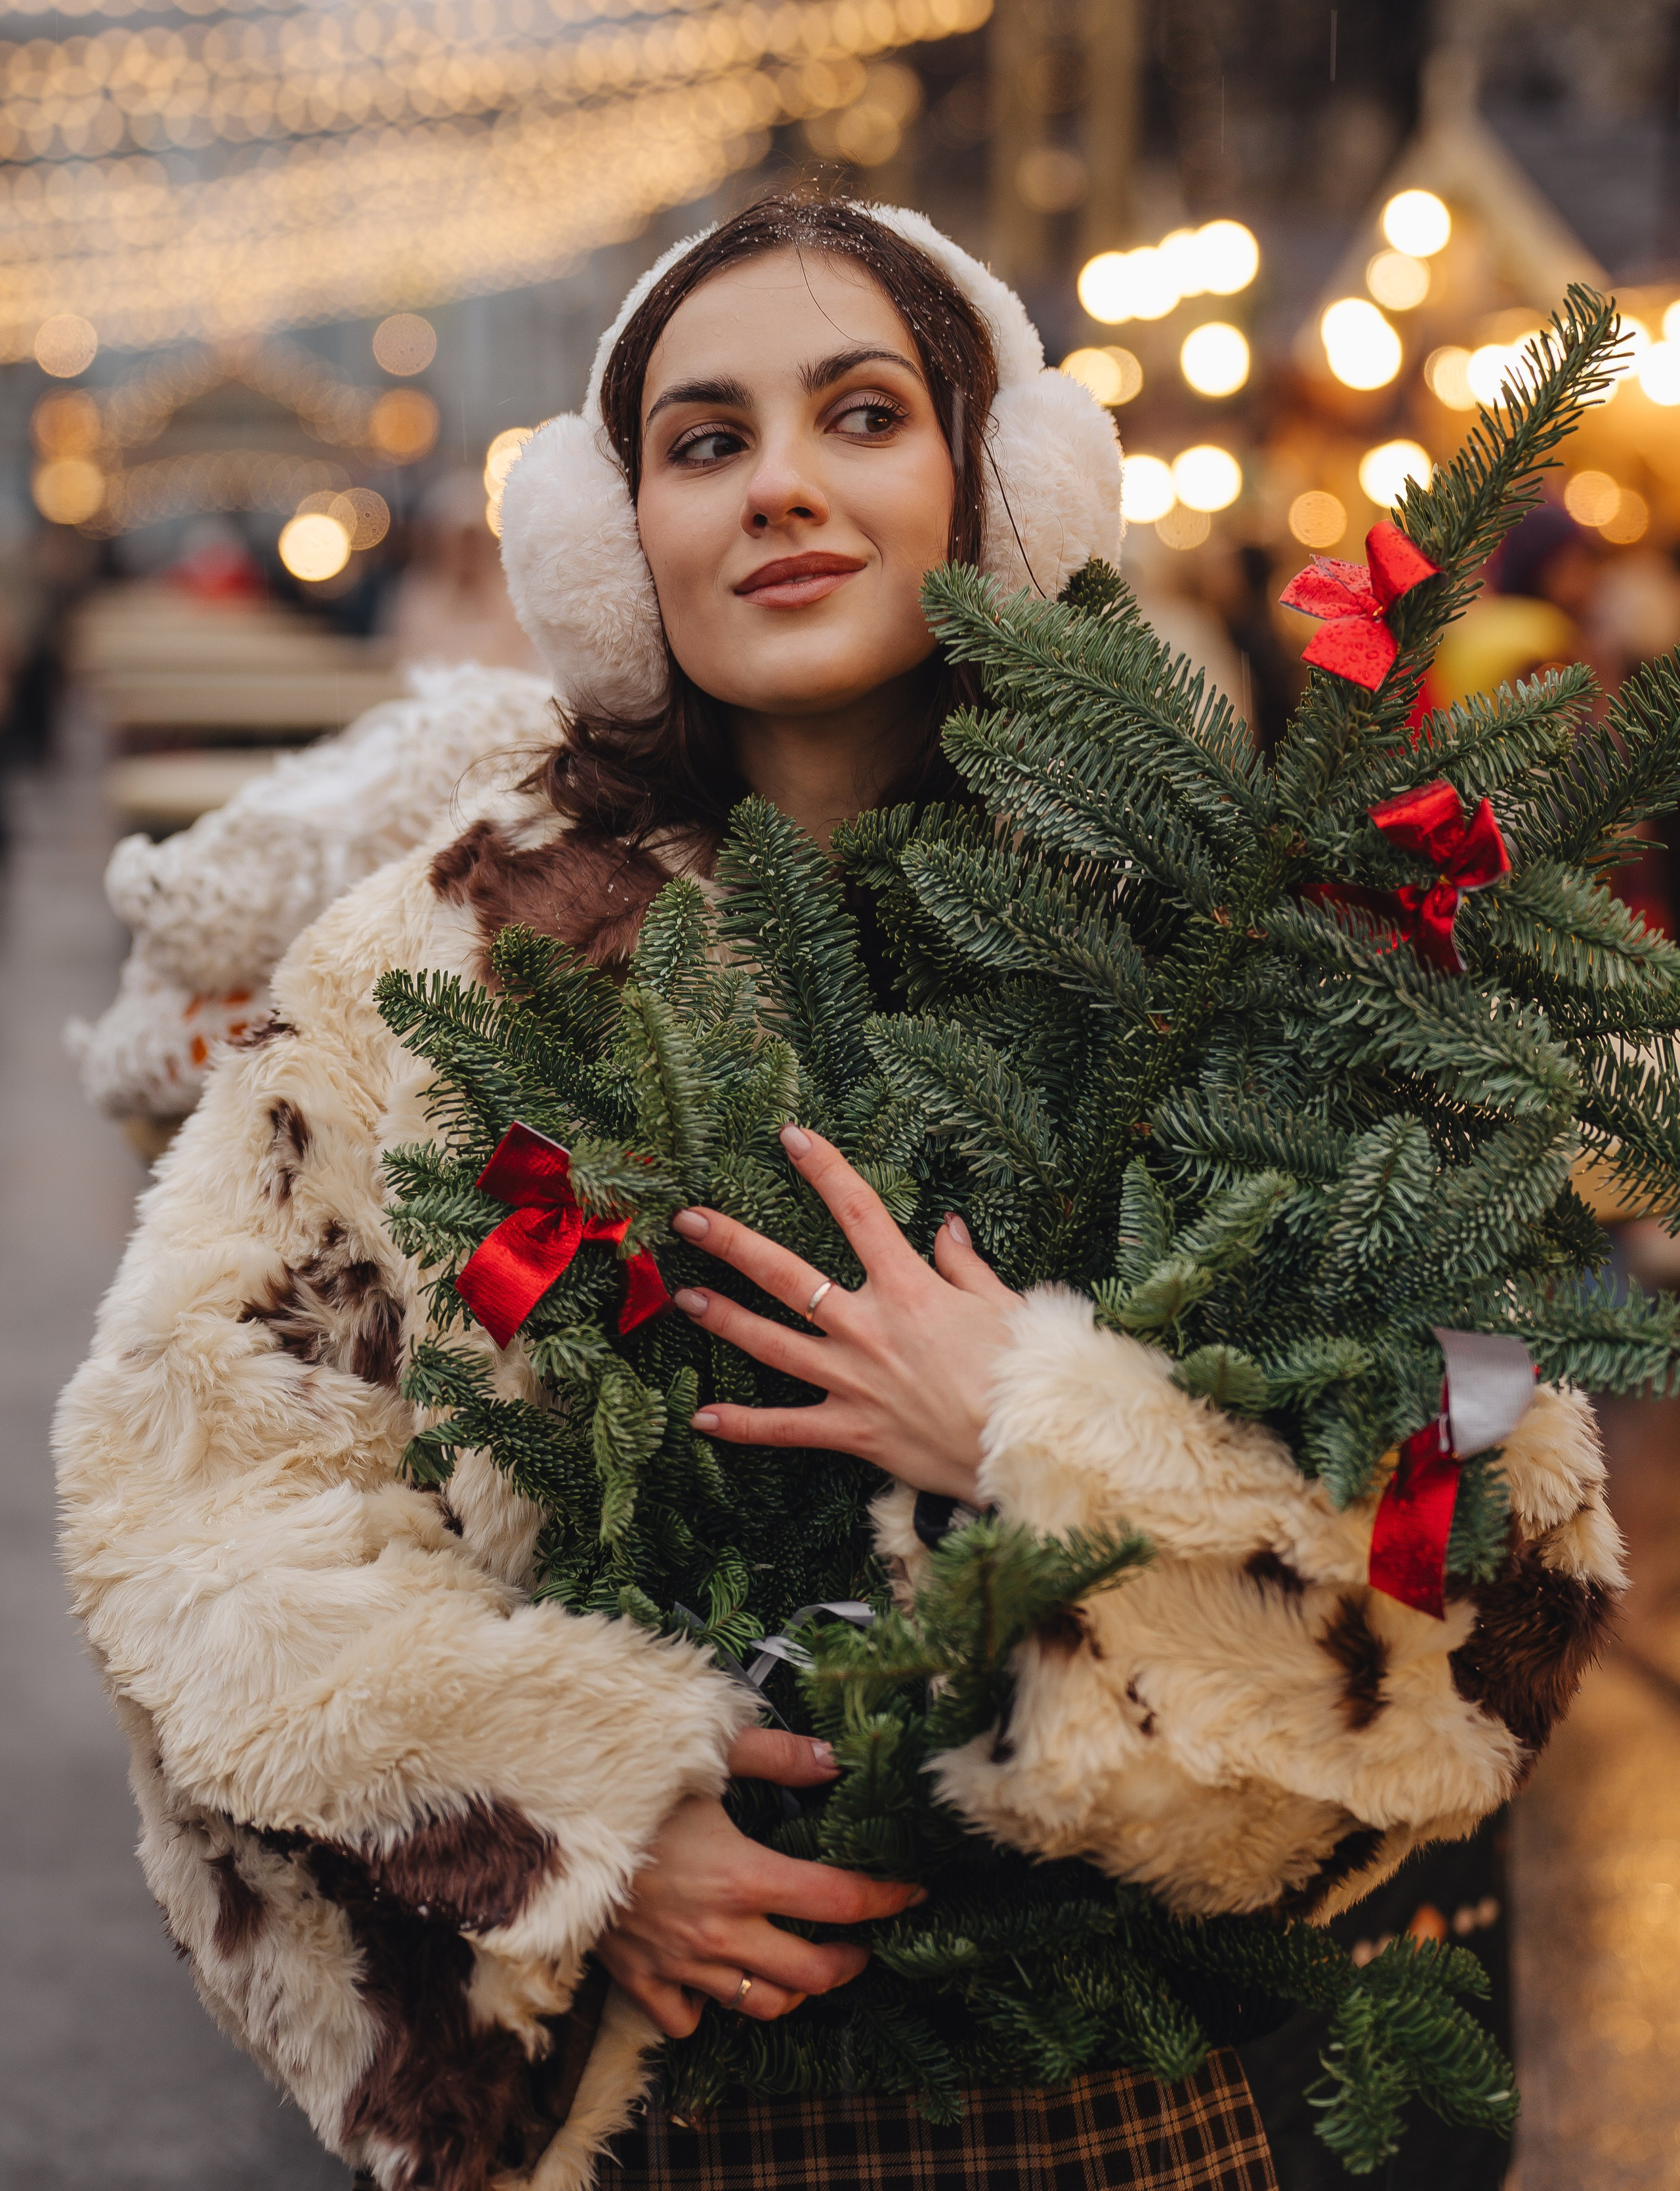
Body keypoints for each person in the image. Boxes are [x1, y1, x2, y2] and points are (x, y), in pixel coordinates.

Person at [54, 198, 1622, 2191]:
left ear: (994, 482)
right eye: (707, 443)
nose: (781, 486)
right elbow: (200, 1498)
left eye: (861, 415)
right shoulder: (432, 973)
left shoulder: (1224, 924)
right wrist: (564, 1825)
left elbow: (1500, 1463)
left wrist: (1047, 1429)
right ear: (621, 547)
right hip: (663, 2105)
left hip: (1129, 2107)